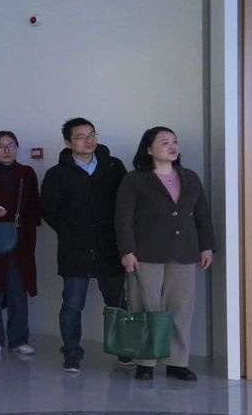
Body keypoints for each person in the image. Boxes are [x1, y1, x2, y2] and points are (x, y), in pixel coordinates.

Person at [114, 127, 216, 382]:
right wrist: (127, 251)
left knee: (180, 308)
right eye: (165, 142)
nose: (172, 146)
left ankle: (176, 362)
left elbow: (202, 214)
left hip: (184, 252)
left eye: (175, 142)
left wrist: (206, 247)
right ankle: (145, 362)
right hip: (145, 253)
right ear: (149, 149)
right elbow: (123, 219)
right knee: (144, 306)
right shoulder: (134, 179)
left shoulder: (190, 177)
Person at [40, 118, 128, 373]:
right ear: (68, 143)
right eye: (80, 136)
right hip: (75, 249)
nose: (88, 140)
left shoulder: (113, 166)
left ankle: (124, 350)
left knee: (117, 303)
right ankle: (71, 353)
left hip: (110, 246)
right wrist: (72, 231)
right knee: (72, 304)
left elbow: (125, 204)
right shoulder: (57, 174)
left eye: (91, 134)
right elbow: (49, 210)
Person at [0, 131, 41, 358]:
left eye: (11, 145)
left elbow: (35, 205)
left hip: (20, 242)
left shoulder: (26, 173)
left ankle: (19, 339)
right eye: (1, 146)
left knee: (17, 292)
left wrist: (28, 223)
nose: (6, 150)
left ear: (17, 148)